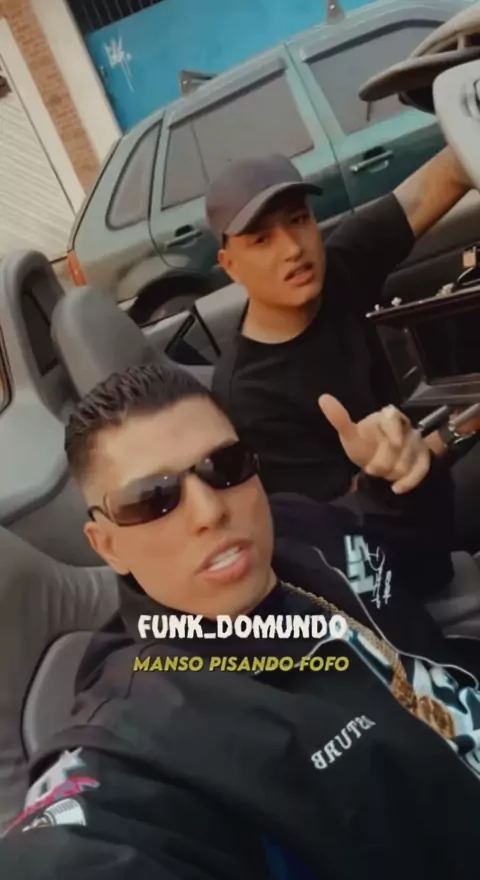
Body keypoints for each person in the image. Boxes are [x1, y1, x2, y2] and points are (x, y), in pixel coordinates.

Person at [3, 362, 480, 879]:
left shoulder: (296, 525)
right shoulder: (148, 723)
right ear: (107, 545)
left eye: (224, 465)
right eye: (153, 499)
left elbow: (409, 555)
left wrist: (402, 477)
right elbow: (81, 840)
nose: (210, 511)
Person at [208, 151, 480, 549]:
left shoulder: (334, 270)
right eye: (262, 240)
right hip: (401, 531)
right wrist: (463, 425)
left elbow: (445, 175)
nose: (292, 249)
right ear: (230, 264)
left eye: (298, 220)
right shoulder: (250, 397)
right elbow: (350, 515)